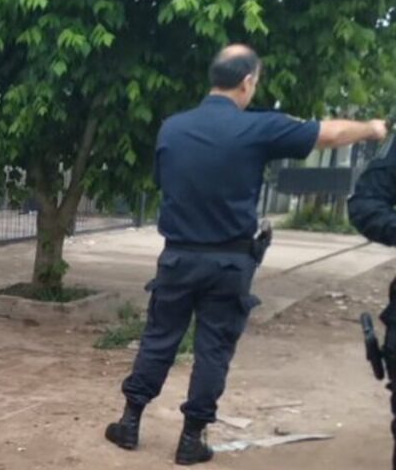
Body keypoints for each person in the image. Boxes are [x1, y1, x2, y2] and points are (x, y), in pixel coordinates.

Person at [104, 44, 388, 465]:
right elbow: (327, 134)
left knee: (159, 339)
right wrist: (373, 129)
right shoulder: (259, 128)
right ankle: (191, 440)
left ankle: (129, 422)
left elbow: (167, 182)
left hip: (178, 257)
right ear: (248, 81)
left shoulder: (172, 128)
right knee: (213, 349)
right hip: (230, 263)